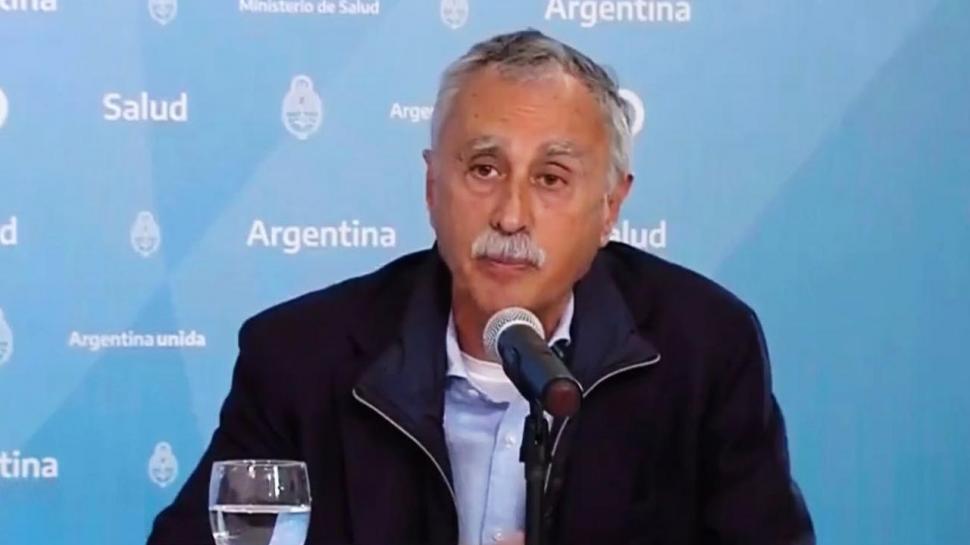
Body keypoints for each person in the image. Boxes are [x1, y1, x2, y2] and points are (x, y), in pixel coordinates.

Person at [147, 29, 814, 545]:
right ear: (432, 187)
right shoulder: (300, 358)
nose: (511, 216)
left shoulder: (702, 350)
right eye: (485, 169)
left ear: (610, 206)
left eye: (551, 179)